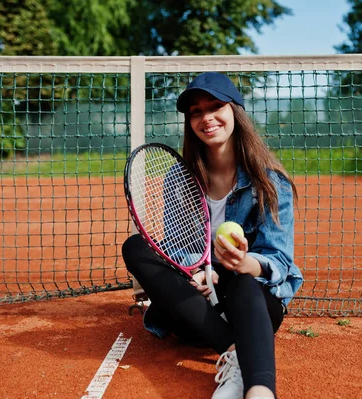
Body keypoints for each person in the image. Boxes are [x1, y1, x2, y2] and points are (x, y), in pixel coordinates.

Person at [122, 72, 303, 399]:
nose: (206, 118)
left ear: (236, 111)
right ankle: (233, 351)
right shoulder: (178, 176)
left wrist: (244, 262)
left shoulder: (272, 183)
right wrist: (195, 271)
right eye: (196, 111)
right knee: (136, 247)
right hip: (196, 309)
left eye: (215, 106)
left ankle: (259, 392)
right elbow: (175, 246)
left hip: (250, 307)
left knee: (244, 282)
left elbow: (278, 261)